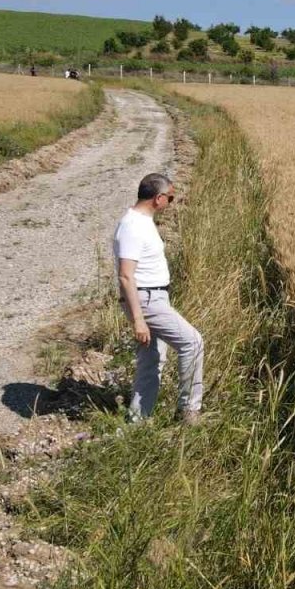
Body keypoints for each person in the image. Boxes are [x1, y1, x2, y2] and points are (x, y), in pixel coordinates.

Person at [113, 173, 205, 424]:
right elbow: (125, 276)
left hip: (152, 297)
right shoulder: (133, 227)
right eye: (170, 198)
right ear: (158, 198)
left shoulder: (141, 222)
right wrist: (139, 320)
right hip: (146, 299)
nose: (171, 203)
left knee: (152, 360)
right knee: (193, 342)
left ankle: (138, 419)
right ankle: (189, 411)